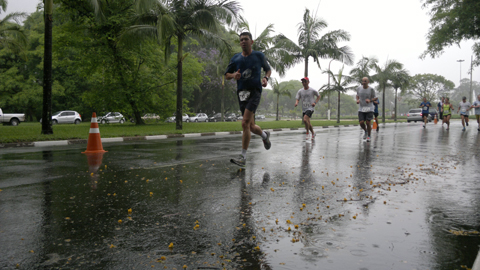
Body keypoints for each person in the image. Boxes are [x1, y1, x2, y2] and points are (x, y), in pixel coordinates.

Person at [225, 32, 272, 167]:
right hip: (241, 93)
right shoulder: (235, 59)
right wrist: (234, 75)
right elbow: (226, 75)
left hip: (255, 92)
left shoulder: (259, 56)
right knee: (250, 126)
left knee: (244, 123)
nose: (243, 42)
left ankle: (243, 157)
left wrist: (265, 78)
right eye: (241, 40)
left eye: (246, 39)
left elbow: (268, 70)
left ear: (251, 42)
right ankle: (264, 135)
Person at [356, 77, 377, 142]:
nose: (364, 82)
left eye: (365, 81)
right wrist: (357, 100)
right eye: (363, 81)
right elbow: (357, 95)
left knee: (368, 122)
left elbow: (375, 98)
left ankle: (369, 136)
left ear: (368, 82)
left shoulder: (371, 89)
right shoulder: (359, 88)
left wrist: (370, 100)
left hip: (369, 108)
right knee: (361, 122)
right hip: (361, 108)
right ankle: (365, 131)